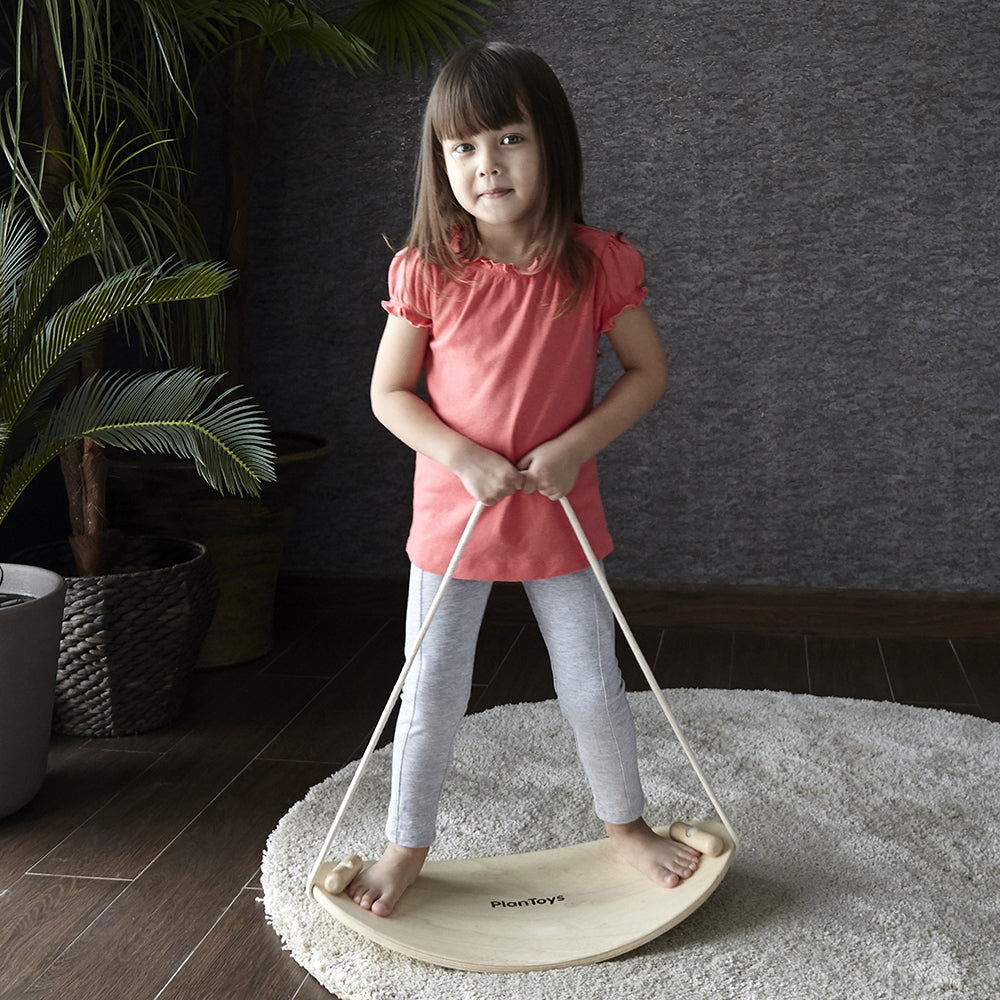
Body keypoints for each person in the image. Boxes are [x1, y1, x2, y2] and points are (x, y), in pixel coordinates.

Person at [348, 40, 696, 918]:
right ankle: (405, 846)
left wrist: (578, 444)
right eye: (462, 147)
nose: (485, 164)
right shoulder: (429, 268)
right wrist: (461, 456)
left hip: (556, 514)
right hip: (452, 521)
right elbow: (390, 394)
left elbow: (647, 374)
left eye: (508, 139)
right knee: (429, 691)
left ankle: (626, 827)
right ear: (440, 163)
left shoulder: (596, 262)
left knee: (591, 683)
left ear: (552, 147)